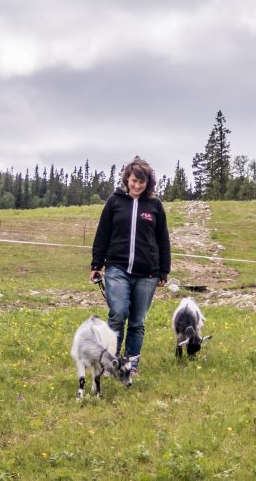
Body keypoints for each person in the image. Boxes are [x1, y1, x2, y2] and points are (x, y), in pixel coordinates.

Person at [90, 156, 171, 376]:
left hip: (148, 273)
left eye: (141, 182)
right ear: (127, 179)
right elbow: (102, 234)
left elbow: (163, 239)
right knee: (118, 312)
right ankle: (111, 362)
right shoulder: (114, 202)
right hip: (117, 268)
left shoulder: (155, 206)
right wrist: (96, 264)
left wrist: (164, 270)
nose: (137, 185)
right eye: (134, 180)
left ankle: (131, 365)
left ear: (148, 184)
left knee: (137, 321)